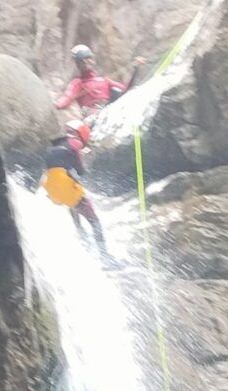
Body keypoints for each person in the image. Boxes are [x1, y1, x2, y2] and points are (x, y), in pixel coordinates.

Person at [40, 124, 109, 258]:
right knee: (94, 221)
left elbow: (59, 169)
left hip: (51, 188)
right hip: (63, 184)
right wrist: (84, 159)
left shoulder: (53, 148)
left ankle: (84, 242)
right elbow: (80, 172)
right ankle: (105, 256)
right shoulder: (75, 143)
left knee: (74, 205)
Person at [54, 43, 140, 115]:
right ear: (78, 64)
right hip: (92, 119)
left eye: (88, 59)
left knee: (116, 91)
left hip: (110, 113)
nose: (86, 62)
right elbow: (65, 100)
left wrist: (135, 69)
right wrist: (55, 105)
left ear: (92, 60)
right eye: (82, 61)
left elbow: (125, 90)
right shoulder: (77, 83)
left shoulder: (104, 80)